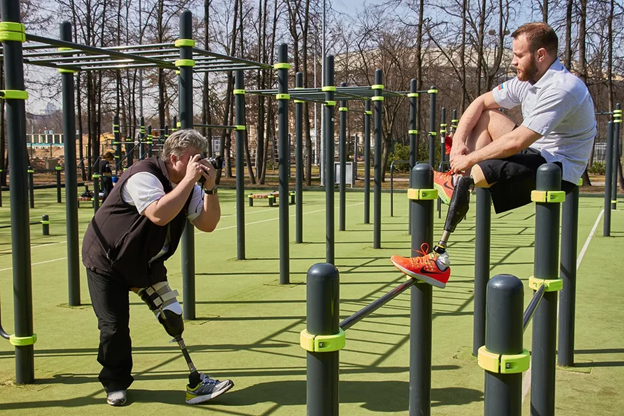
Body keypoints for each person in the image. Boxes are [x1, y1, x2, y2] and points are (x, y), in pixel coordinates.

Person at [391, 22, 596, 288]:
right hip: (538, 152)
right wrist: (461, 145)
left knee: (479, 169)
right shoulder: (529, 82)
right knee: (487, 116)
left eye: (519, 55)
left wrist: (470, 160)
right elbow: (481, 102)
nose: (513, 61)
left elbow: (518, 140)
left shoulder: (562, 87)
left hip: (559, 168)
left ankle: (438, 260)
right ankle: (458, 181)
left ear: (541, 55)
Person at [82, 129, 233, 406]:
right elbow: (159, 214)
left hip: (145, 262)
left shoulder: (190, 186)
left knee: (173, 317)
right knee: (114, 327)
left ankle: (196, 382)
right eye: (192, 158)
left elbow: (208, 224)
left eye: (201, 157)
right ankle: (115, 383)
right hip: (107, 260)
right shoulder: (144, 176)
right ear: (174, 158)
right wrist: (189, 180)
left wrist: (210, 187)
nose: (198, 164)